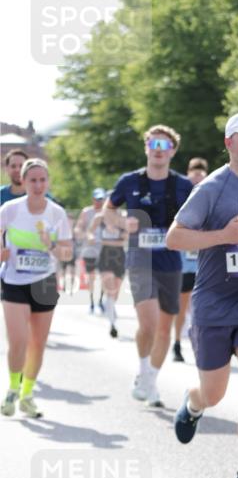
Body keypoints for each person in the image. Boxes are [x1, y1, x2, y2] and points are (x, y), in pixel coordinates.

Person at [166, 113, 238, 478]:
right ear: (230, 144)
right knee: (213, 393)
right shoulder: (212, 188)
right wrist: (221, 236)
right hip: (214, 306)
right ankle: (194, 402)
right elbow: (174, 237)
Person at [105, 125, 192, 407]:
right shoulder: (129, 181)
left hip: (171, 260)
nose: (158, 150)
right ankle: (143, 370)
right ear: (146, 148)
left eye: (164, 146)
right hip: (140, 260)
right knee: (149, 323)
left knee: (165, 329)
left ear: (173, 151)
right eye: (153, 144)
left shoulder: (183, 185)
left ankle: (150, 380)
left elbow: (198, 215)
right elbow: (108, 210)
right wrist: (121, 222)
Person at [1, 159, 72, 418]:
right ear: (23, 181)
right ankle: (12, 389)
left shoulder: (56, 213)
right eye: (33, 180)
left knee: (37, 344)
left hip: (45, 282)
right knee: (18, 341)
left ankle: (27, 395)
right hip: (14, 281)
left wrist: (50, 245)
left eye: (43, 180)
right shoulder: (10, 209)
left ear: (48, 182)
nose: (38, 185)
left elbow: (67, 253)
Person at [172, 157, 209, 362]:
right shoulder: (181, 196)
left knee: (200, 305)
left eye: (201, 178)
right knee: (183, 303)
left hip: (206, 260)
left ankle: (198, 342)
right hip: (185, 260)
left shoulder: (211, 192)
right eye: (194, 178)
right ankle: (177, 343)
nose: (197, 182)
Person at [92, 193, 128, 338]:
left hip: (119, 255)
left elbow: (127, 237)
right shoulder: (99, 218)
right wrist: (93, 238)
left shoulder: (124, 217)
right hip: (105, 254)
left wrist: (119, 235)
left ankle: (110, 308)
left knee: (115, 292)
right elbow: (89, 233)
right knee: (110, 288)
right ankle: (112, 324)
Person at [74, 188, 106, 313]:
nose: (99, 202)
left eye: (101, 199)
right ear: (93, 199)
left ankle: (101, 301)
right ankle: (92, 302)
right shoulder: (86, 212)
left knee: (104, 276)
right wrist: (85, 236)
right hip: (89, 249)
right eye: (97, 199)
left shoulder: (108, 212)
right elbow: (78, 228)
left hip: (105, 249)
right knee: (91, 276)